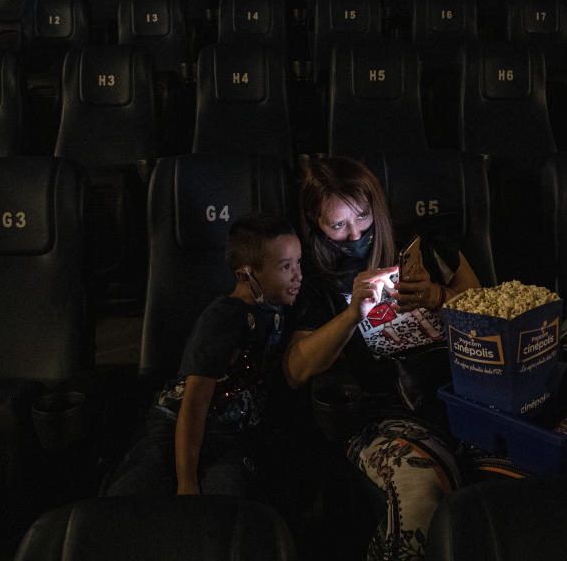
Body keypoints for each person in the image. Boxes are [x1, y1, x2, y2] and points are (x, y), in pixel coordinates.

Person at [284, 156, 482, 561]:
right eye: (337, 225)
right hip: (376, 414)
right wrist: (350, 315)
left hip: (457, 395)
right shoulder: (312, 279)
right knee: (419, 489)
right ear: (314, 221)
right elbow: (296, 368)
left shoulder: (421, 242)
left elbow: (484, 306)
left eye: (362, 217)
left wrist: (435, 297)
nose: (356, 233)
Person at [103, 212, 302, 498]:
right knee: (130, 498)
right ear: (245, 275)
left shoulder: (274, 308)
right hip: (177, 429)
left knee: (226, 507)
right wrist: (187, 482)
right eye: (286, 267)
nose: (298, 275)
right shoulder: (224, 319)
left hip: (229, 438)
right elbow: (195, 403)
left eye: (298, 263)